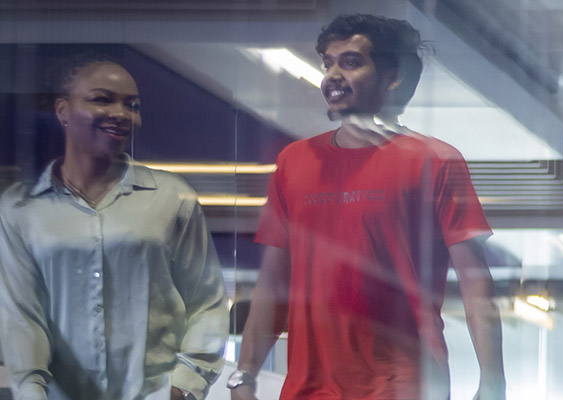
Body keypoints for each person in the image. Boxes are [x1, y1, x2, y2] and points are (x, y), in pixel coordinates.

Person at [227, 14, 506, 400]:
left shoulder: (436, 161)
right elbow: (273, 285)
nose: (333, 74)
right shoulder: (294, 162)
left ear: (393, 77)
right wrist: (244, 374)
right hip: (309, 389)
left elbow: (476, 285)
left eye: (351, 62)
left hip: (405, 386)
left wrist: (493, 382)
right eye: (328, 62)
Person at [0, 52, 227, 400]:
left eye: (132, 105)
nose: (121, 114)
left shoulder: (171, 197)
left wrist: (183, 387)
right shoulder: (20, 207)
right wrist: (31, 391)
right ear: (63, 111)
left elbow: (206, 303)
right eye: (102, 99)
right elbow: (20, 315)